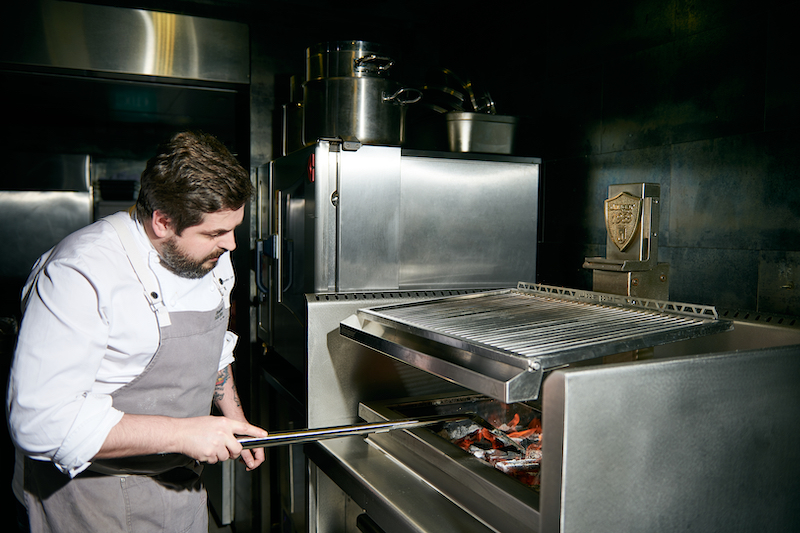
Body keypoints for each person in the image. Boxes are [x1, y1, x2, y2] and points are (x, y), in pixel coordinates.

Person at [6, 131, 268, 532]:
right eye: (216, 233)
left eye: (233, 228)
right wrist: (184, 434)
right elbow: (40, 423)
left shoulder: (211, 259)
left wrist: (236, 422)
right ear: (162, 221)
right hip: (93, 500)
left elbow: (213, 351)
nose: (231, 245)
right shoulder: (79, 273)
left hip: (181, 487)